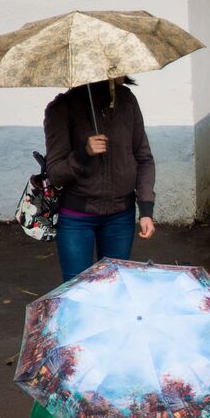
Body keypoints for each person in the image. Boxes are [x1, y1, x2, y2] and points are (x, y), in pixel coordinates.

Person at [44, 76, 156, 281]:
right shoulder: (61, 108)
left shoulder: (127, 101)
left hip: (120, 216)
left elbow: (144, 158)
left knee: (115, 288)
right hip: (77, 217)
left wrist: (146, 210)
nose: (122, 72)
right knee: (77, 291)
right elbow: (55, 173)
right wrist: (83, 153)